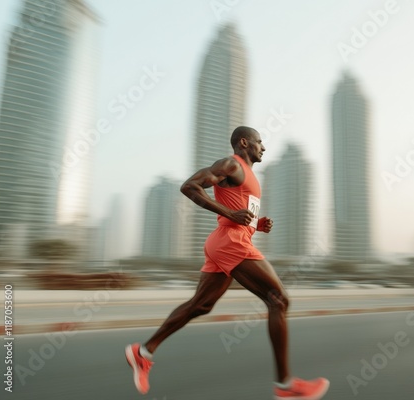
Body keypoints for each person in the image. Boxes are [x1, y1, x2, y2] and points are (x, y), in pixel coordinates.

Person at [125, 126, 329, 399]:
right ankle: (285, 385)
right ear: (244, 143)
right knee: (278, 299)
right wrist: (231, 213)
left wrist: (256, 223)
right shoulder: (231, 164)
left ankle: (143, 351)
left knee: (201, 305)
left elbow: (239, 211)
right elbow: (189, 186)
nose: (264, 148)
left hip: (225, 242)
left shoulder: (249, 176)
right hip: (230, 243)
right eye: (259, 142)